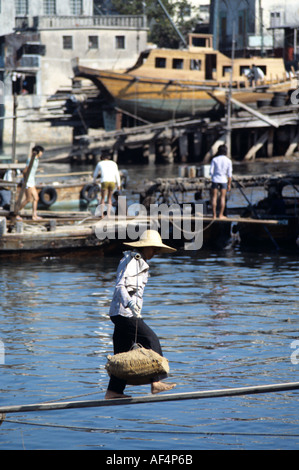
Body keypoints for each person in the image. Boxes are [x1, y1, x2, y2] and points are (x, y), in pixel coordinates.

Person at [105, 229, 177, 400]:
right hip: (125, 313)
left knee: (122, 352)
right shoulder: (132, 261)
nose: (155, 253)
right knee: (151, 339)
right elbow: (120, 285)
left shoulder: (139, 261)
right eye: (153, 249)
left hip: (121, 313)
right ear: (145, 247)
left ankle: (113, 392)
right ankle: (157, 382)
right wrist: (129, 303)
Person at [18, 145, 44, 220]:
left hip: (32, 181)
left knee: (36, 198)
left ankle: (34, 215)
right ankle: (16, 212)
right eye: (41, 152)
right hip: (28, 182)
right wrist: (25, 180)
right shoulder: (30, 160)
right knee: (28, 199)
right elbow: (25, 171)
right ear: (38, 152)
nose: (42, 153)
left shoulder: (37, 160)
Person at [93, 151, 121, 217]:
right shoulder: (113, 163)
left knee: (102, 198)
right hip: (112, 182)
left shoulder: (100, 163)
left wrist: (94, 181)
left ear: (102, 157)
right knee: (109, 198)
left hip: (104, 181)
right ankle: (108, 215)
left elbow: (95, 174)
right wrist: (119, 184)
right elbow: (117, 174)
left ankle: (102, 215)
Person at [210, 144, 232, 219]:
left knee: (214, 197)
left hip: (215, 179)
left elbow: (211, 172)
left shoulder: (214, 159)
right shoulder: (228, 161)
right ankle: (221, 215)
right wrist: (229, 185)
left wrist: (213, 177)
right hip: (223, 180)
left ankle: (214, 215)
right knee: (222, 198)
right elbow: (229, 175)